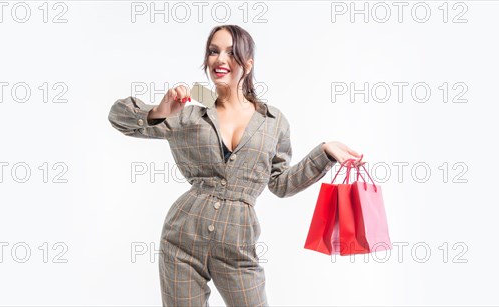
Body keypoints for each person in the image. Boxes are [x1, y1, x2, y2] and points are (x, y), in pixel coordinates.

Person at [108, 24, 363, 307]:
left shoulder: (273, 122)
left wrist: (324, 152)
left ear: (248, 63)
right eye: (213, 51)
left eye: (231, 52)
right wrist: (159, 111)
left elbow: (281, 184)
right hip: (181, 238)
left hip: (238, 244)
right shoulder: (188, 113)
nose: (220, 59)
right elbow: (119, 117)